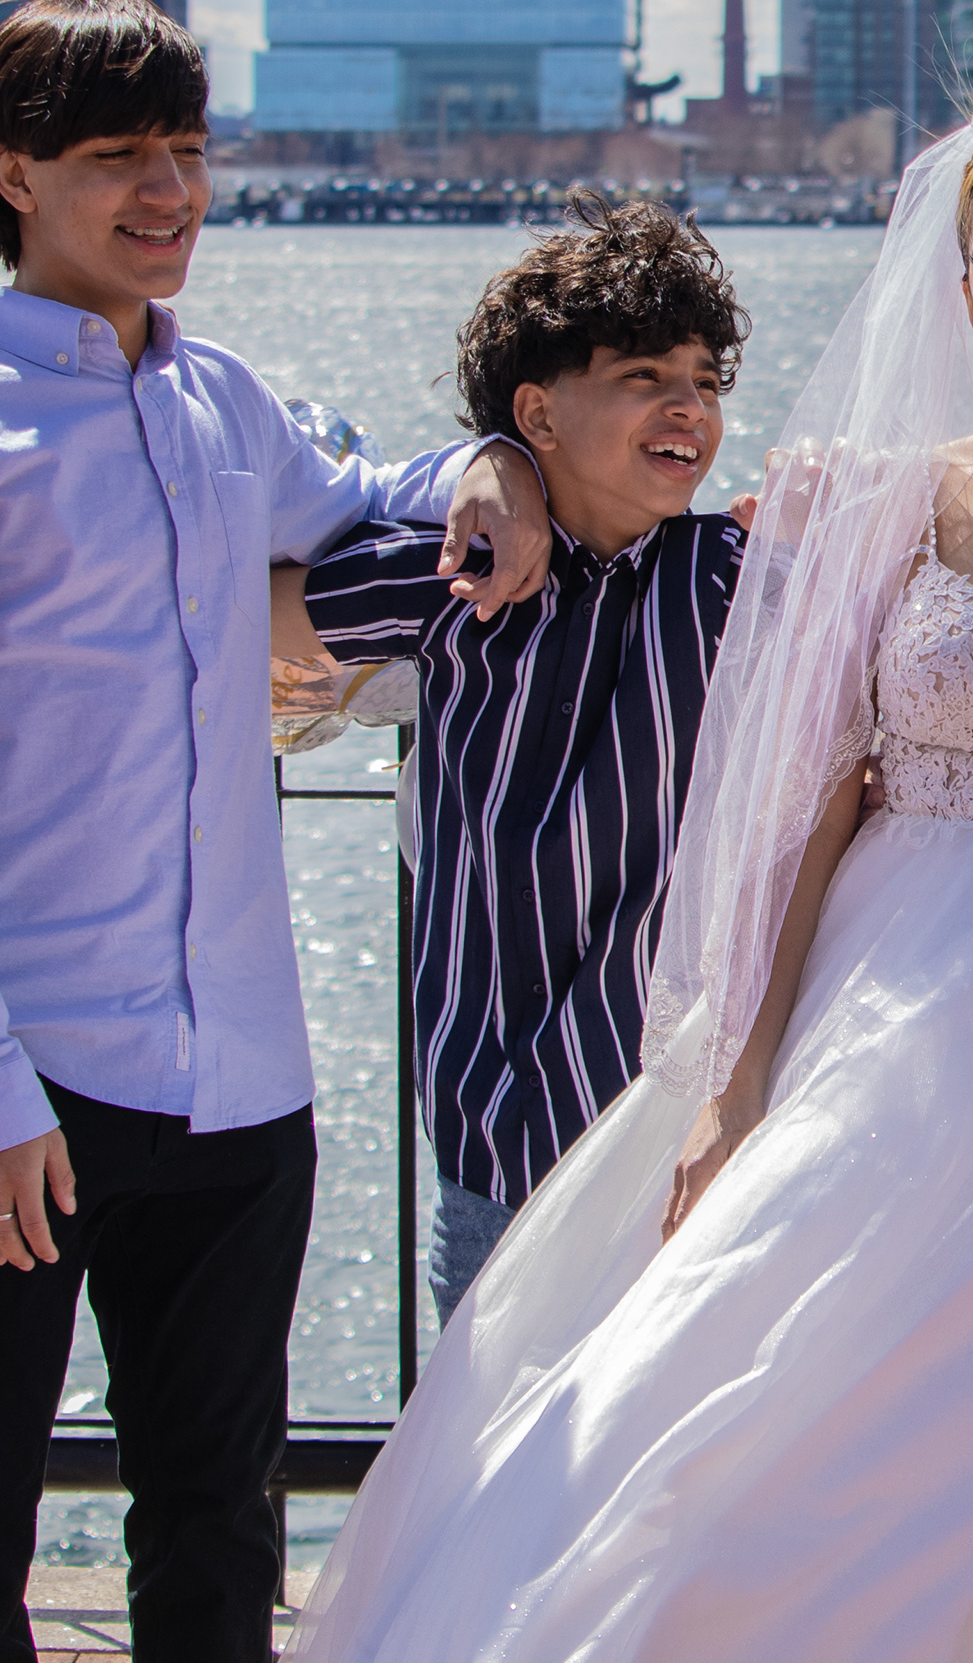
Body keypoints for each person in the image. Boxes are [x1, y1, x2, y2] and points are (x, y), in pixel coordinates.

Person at [287, 69, 973, 1663]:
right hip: (893, 1025)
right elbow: (803, 808)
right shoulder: (881, 508)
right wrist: (735, 1083)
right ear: (967, 298)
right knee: (749, 1422)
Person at [0, 0, 459, 1659]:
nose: (169, 192)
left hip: (239, 1081)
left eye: (186, 150)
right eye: (118, 157)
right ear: (14, 172)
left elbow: (369, 503)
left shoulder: (219, 396)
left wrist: (496, 477)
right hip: (7, 1076)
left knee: (220, 1527)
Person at [274, 195, 749, 1325]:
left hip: (672, 1144)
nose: (688, 406)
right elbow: (232, 614)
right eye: (643, 375)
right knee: (484, 1429)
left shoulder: (739, 577)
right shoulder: (450, 571)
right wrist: (476, 468)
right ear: (538, 411)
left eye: (704, 380)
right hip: (496, 1139)